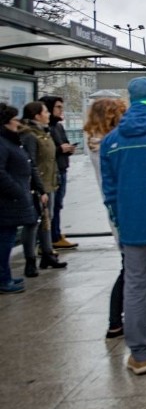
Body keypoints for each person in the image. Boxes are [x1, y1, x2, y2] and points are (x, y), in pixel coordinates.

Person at [101, 78, 146, 376]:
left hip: (132, 229)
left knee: (135, 289)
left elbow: (110, 193)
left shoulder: (111, 141)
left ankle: (140, 356)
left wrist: (119, 225)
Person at [18, 101, 66, 275]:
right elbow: (30, 163)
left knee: (47, 218)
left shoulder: (45, 132)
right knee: (33, 222)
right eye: (45, 111)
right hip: (38, 185)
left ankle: (47, 254)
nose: (48, 114)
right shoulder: (30, 135)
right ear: (36, 115)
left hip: (49, 181)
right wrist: (38, 188)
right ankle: (30, 259)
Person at [0, 103, 41, 294]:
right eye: (15, 119)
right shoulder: (3, 142)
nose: (18, 122)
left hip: (13, 197)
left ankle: (5, 276)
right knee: (4, 240)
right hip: (8, 200)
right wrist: (17, 190)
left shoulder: (11, 140)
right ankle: (3, 279)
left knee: (6, 239)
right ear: (6, 122)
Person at [38, 96, 78, 250]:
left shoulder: (58, 127)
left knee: (58, 205)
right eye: (58, 107)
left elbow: (63, 144)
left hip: (62, 168)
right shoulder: (45, 129)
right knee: (50, 208)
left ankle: (55, 235)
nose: (61, 110)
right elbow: (45, 151)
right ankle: (48, 240)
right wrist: (61, 149)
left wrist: (68, 149)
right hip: (50, 172)